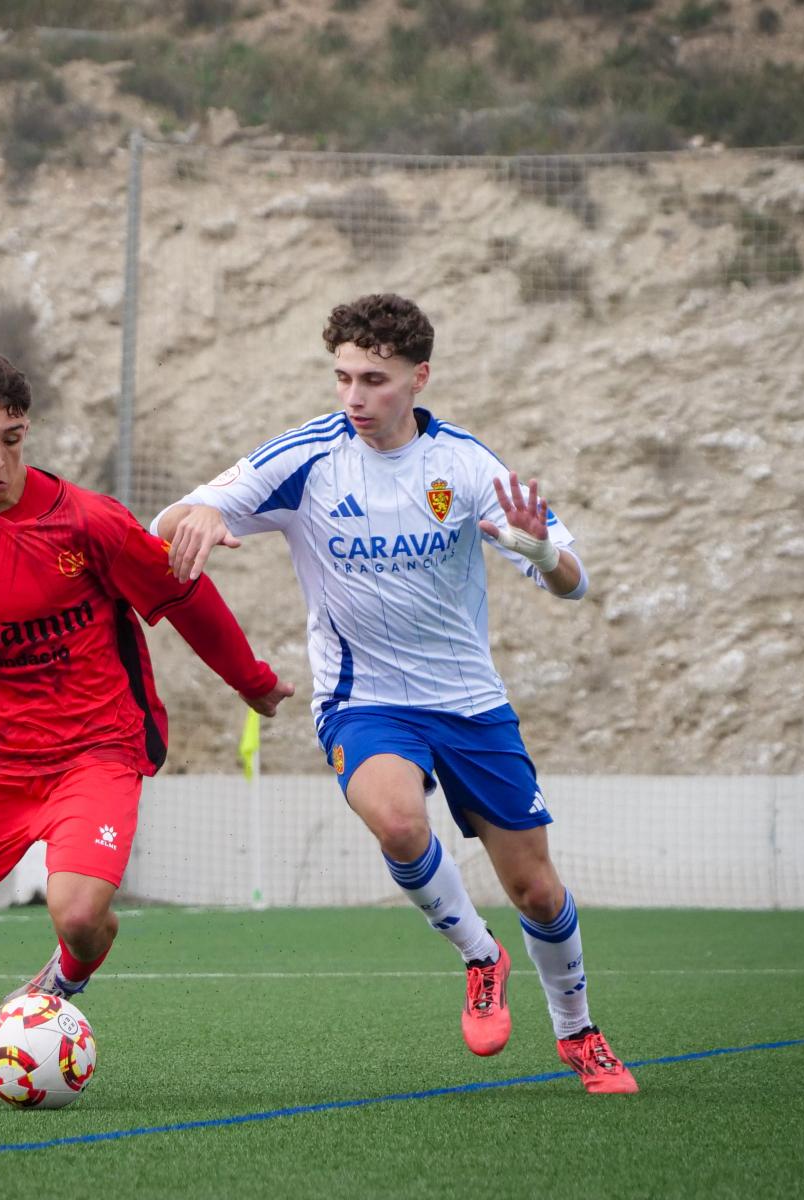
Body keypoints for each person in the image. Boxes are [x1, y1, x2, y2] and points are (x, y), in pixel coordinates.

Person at [151, 293, 638, 1095]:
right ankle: (480, 956)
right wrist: (197, 513)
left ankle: (578, 1031)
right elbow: (174, 517)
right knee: (400, 822)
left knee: (537, 889)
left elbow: (574, 583)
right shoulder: (307, 457)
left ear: (419, 377)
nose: (354, 396)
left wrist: (541, 551)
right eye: (343, 377)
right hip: (364, 699)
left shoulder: (466, 466)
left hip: (469, 702)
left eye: (373, 380)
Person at [0, 349, 293, 1104]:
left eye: (11, 439)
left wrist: (252, 681)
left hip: (96, 749)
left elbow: (183, 596)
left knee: (79, 917)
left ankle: (67, 974)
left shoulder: (88, 520)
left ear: (27, 434)